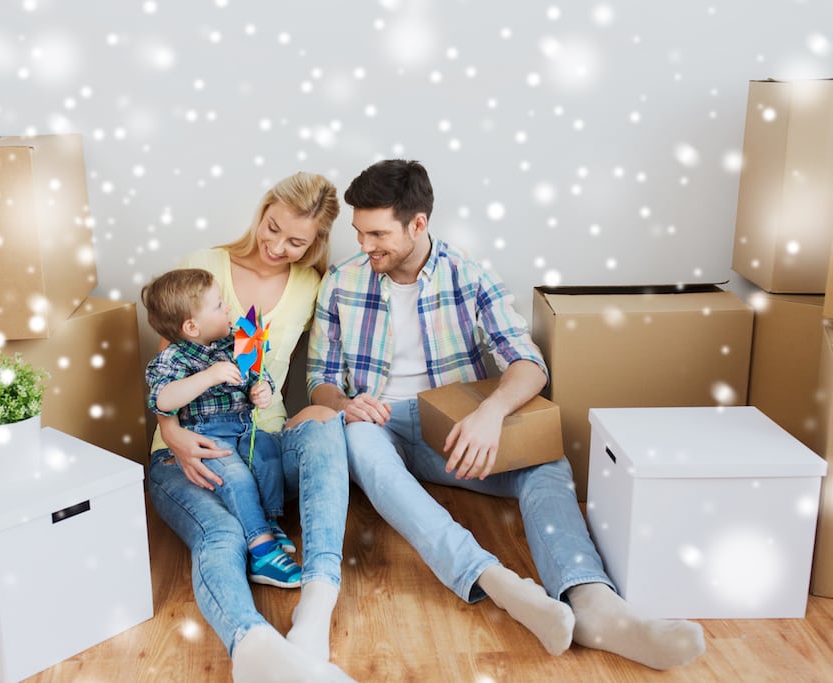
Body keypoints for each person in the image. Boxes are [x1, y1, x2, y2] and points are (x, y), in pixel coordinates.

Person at [307, 159, 706, 671]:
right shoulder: (341, 282)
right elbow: (318, 381)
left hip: (454, 432)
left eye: (377, 234)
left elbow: (528, 363)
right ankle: (497, 582)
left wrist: (490, 414)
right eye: (359, 233)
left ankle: (594, 605)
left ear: (419, 224)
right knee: (358, 440)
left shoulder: (469, 275)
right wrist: (344, 403)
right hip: (378, 427)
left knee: (547, 463)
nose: (364, 246)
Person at [145, 172, 355, 683]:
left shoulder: (312, 285)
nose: (278, 246)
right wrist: (169, 431)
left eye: (296, 241)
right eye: (273, 227)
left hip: (265, 440)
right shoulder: (204, 265)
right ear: (263, 210)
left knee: (326, 428)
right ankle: (253, 646)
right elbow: (168, 367)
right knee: (221, 536)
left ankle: (316, 604)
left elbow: (325, 363)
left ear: (316, 243)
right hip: (192, 444)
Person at [142, 267, 302, 588]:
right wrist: (211, 375)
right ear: (191, 326)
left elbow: (258, 374)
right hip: (207, 436)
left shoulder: (234, 342)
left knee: (268, 456)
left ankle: (268, 521)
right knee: (238, 479)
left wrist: (262, 391)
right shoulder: (173, 359)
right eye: (219, 305)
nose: (228, 308)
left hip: (243, 427)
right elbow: (163, 399)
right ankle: (261, 550)